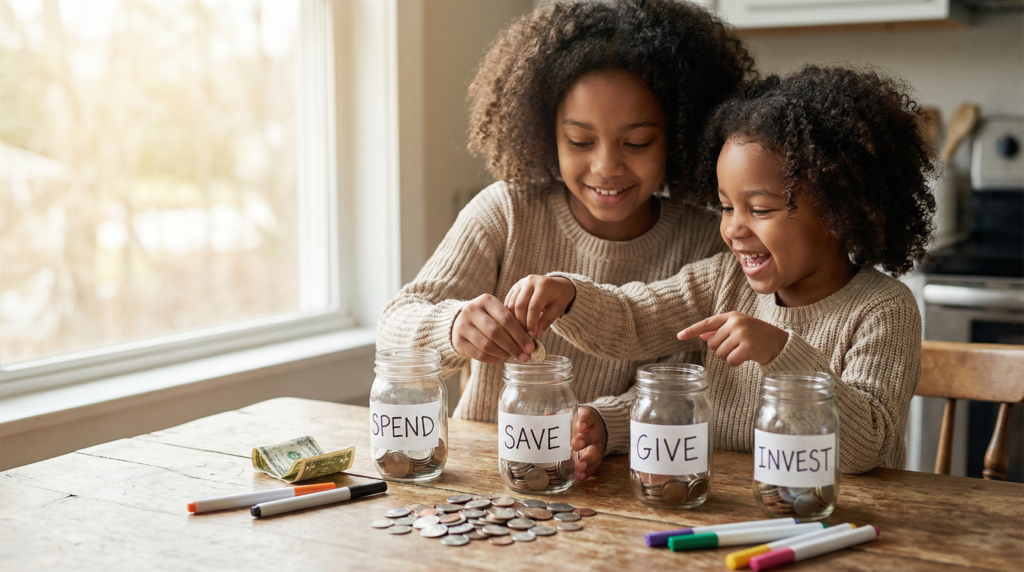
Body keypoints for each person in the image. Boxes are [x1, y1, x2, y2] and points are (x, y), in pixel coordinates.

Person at [377, 0, 757, 482]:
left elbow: (687, 386)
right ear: (544, 132)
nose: (606, 167)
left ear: (682, 136)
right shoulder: (508, 211)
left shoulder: (708, 243)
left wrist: (606, 425)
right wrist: (454, 327)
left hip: (622, 485)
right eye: (580, 141)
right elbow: (394, 325)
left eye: (636, 142)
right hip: (481, 476)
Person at [505, 65, 936, 473]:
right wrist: (571, 297)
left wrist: (780, 353)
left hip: (836, 523)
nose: (732, 228)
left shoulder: (883, 308)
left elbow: (868, 445)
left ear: (838, 211)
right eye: (727, 207)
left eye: (761, 209)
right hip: (724, 512)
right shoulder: (721, 280)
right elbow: (635, 318)